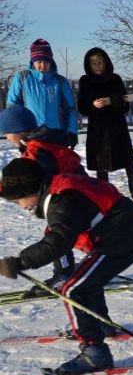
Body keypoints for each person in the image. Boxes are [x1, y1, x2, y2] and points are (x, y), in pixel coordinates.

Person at [0, 158, 133, 375]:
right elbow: (57, 237)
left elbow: (59, 240)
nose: (21, 206)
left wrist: (20, 262)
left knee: (73, 289)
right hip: (120, 235)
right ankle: (101, 324)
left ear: (31, 190)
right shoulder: (58, 192)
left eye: (18, 199)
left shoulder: (61, 199)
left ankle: (95, 353)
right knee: (87, 281)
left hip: (120, 240)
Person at [0, 104, 86, 298]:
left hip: (68, 194)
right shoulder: (36, 143)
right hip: (69, 190)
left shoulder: (37, 150)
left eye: (7, 133)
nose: (6, 137)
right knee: (59, 231)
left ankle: (64, 273)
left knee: (56, 233)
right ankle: (69, 268)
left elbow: (31, 179)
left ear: (18, 131)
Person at [77, 47, 133, 200]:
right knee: (101, 163)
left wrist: (115, 100)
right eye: (93, 63)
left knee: (127, 160)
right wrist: (93, 106)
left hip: (117, 126)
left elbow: (126, 104)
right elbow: (82, 107)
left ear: (106, 62)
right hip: (98, 128)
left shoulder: (115, 79)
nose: (97, 66)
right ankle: (104, 194)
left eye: (100, 62)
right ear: (88, 65)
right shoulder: (85, 81)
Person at [7, 39, 79, 149]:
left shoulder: (60, 81)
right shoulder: (23, 78)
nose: (42, 65)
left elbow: (70, 108)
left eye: (46, 62)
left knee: (56, 165)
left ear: (51, 61)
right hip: (31, 135)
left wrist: (72, 132)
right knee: (35, 166)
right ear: (33, 62)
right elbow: (13, 107)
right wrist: (18, 133)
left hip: (56, 134)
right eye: (39, 62)